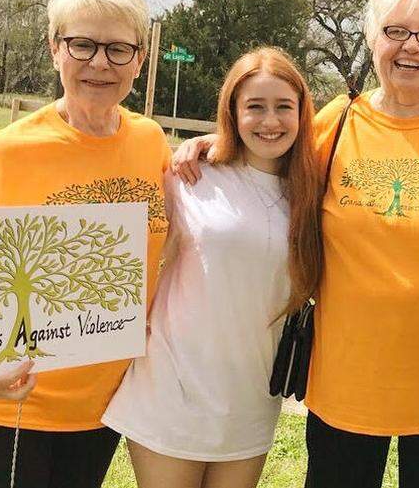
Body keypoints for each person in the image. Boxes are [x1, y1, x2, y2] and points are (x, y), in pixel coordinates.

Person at [172, 0, 419, 488]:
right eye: (396, 31)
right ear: (371, 37)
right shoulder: (332, 124)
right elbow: (265, 151)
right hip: (347, 380)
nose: (412, 46)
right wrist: (209, 146)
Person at [0, 0, 171, 488]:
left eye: (118, 49)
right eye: (82, 44)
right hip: (6, 403)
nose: (99, 63)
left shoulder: (150, 142)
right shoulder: (6, 153)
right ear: (54, 48)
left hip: (101, 404)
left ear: (140, 59)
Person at [102, 47, 323, 488]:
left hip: (251, 398)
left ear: (302, 113)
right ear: (232, 113)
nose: (270, 121)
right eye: (254, 107)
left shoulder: (312, 192)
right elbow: (126, 257)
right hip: (173, 389)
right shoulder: (190, 178)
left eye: (284, 107)